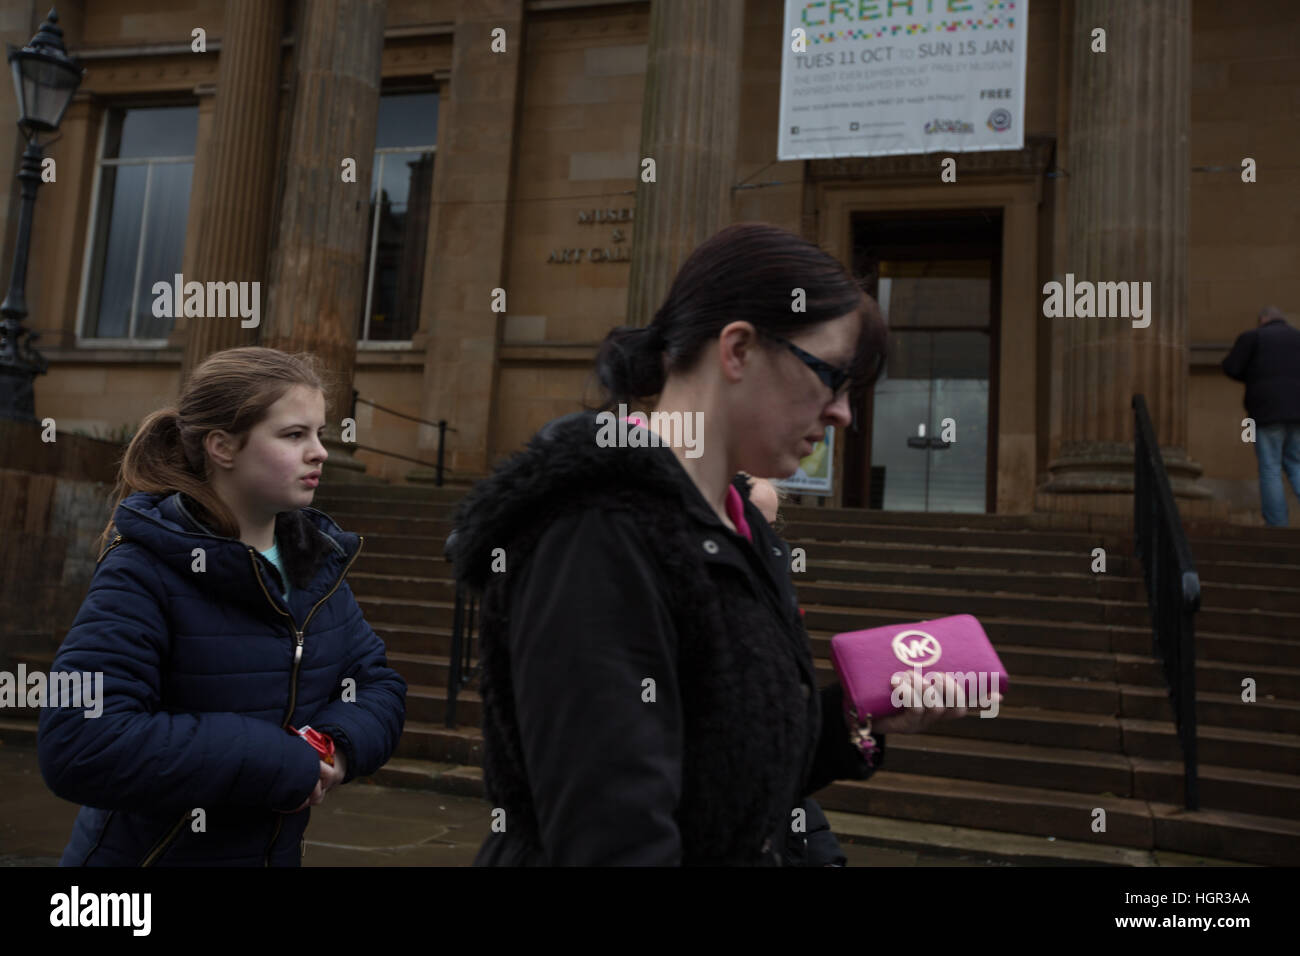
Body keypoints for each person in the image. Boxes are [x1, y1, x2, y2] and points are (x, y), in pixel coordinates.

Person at [450, 221, 966, 866]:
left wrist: (859, 714)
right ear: (739, 350)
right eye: (831, 377)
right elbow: (615, 835)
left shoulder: (734, 526)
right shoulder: (596, 527)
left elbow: (725, 776)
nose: (843, 415)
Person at [37, 347, 407, 866]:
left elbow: (377, 683)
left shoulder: (314, 567)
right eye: (294, 435)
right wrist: (276, 760)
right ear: (222, 447)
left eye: (320, 433)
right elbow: (79, 741)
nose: (320, 451)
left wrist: (334, 747)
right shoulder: (144, 569)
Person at [1222, 306, 1300, 526]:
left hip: (1267, 410)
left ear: (1263, 319)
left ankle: (1278, 525)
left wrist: (1255, 376)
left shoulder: (1254, 337)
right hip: (1298, 412)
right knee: (1297, 464)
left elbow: (1231, 366)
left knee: (1270, 467)